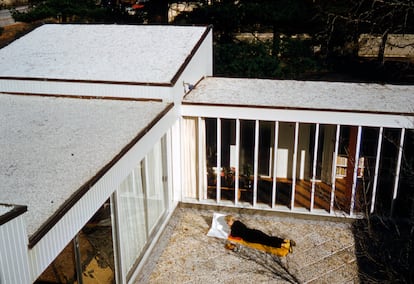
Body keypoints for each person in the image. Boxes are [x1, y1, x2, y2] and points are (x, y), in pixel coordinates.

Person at [224, 215, 296, 249]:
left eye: (227, 222)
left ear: (230, 221)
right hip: (253, 232)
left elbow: (233, 235)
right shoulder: (238, 222)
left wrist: (230, 228)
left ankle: (284, 245)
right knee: (268, 238)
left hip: (250, 237)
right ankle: (285, 241)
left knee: (266, 241)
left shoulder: (233, 229)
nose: (227, 223)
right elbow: (244, 228)